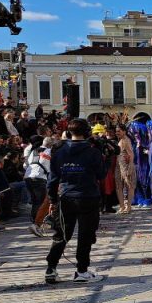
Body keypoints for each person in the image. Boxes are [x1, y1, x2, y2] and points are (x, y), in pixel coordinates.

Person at [44, 119, 106, 284]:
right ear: (87, 132)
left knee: (62, 234)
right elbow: (101, 175)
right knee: (85, 236)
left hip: (66, 197)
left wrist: (52, 199)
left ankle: (51, 268)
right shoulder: (93, 152)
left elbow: (53, 178)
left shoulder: (59, 152)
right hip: (88, 197)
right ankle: (82, 270)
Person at [24, 135, 53, 237]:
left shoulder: (34, 151)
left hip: (28, 176)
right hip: (39, 178)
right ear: (51, 145)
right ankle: (36, 225)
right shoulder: (49, 152)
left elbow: (26, 164)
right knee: (41, 202)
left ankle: (34, 223)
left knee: (35, 201)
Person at [114, 124, 135, 214]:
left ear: (124, 131)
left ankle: (128, 206)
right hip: (119, 166)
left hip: (126, 165)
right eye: (116, 131)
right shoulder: (121, 140)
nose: (117, 133)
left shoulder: (126, 140)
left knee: (129, 186)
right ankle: (122, 206)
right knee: (119, 186)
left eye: (119, 131)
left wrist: (130, 165)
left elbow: (131, 154)